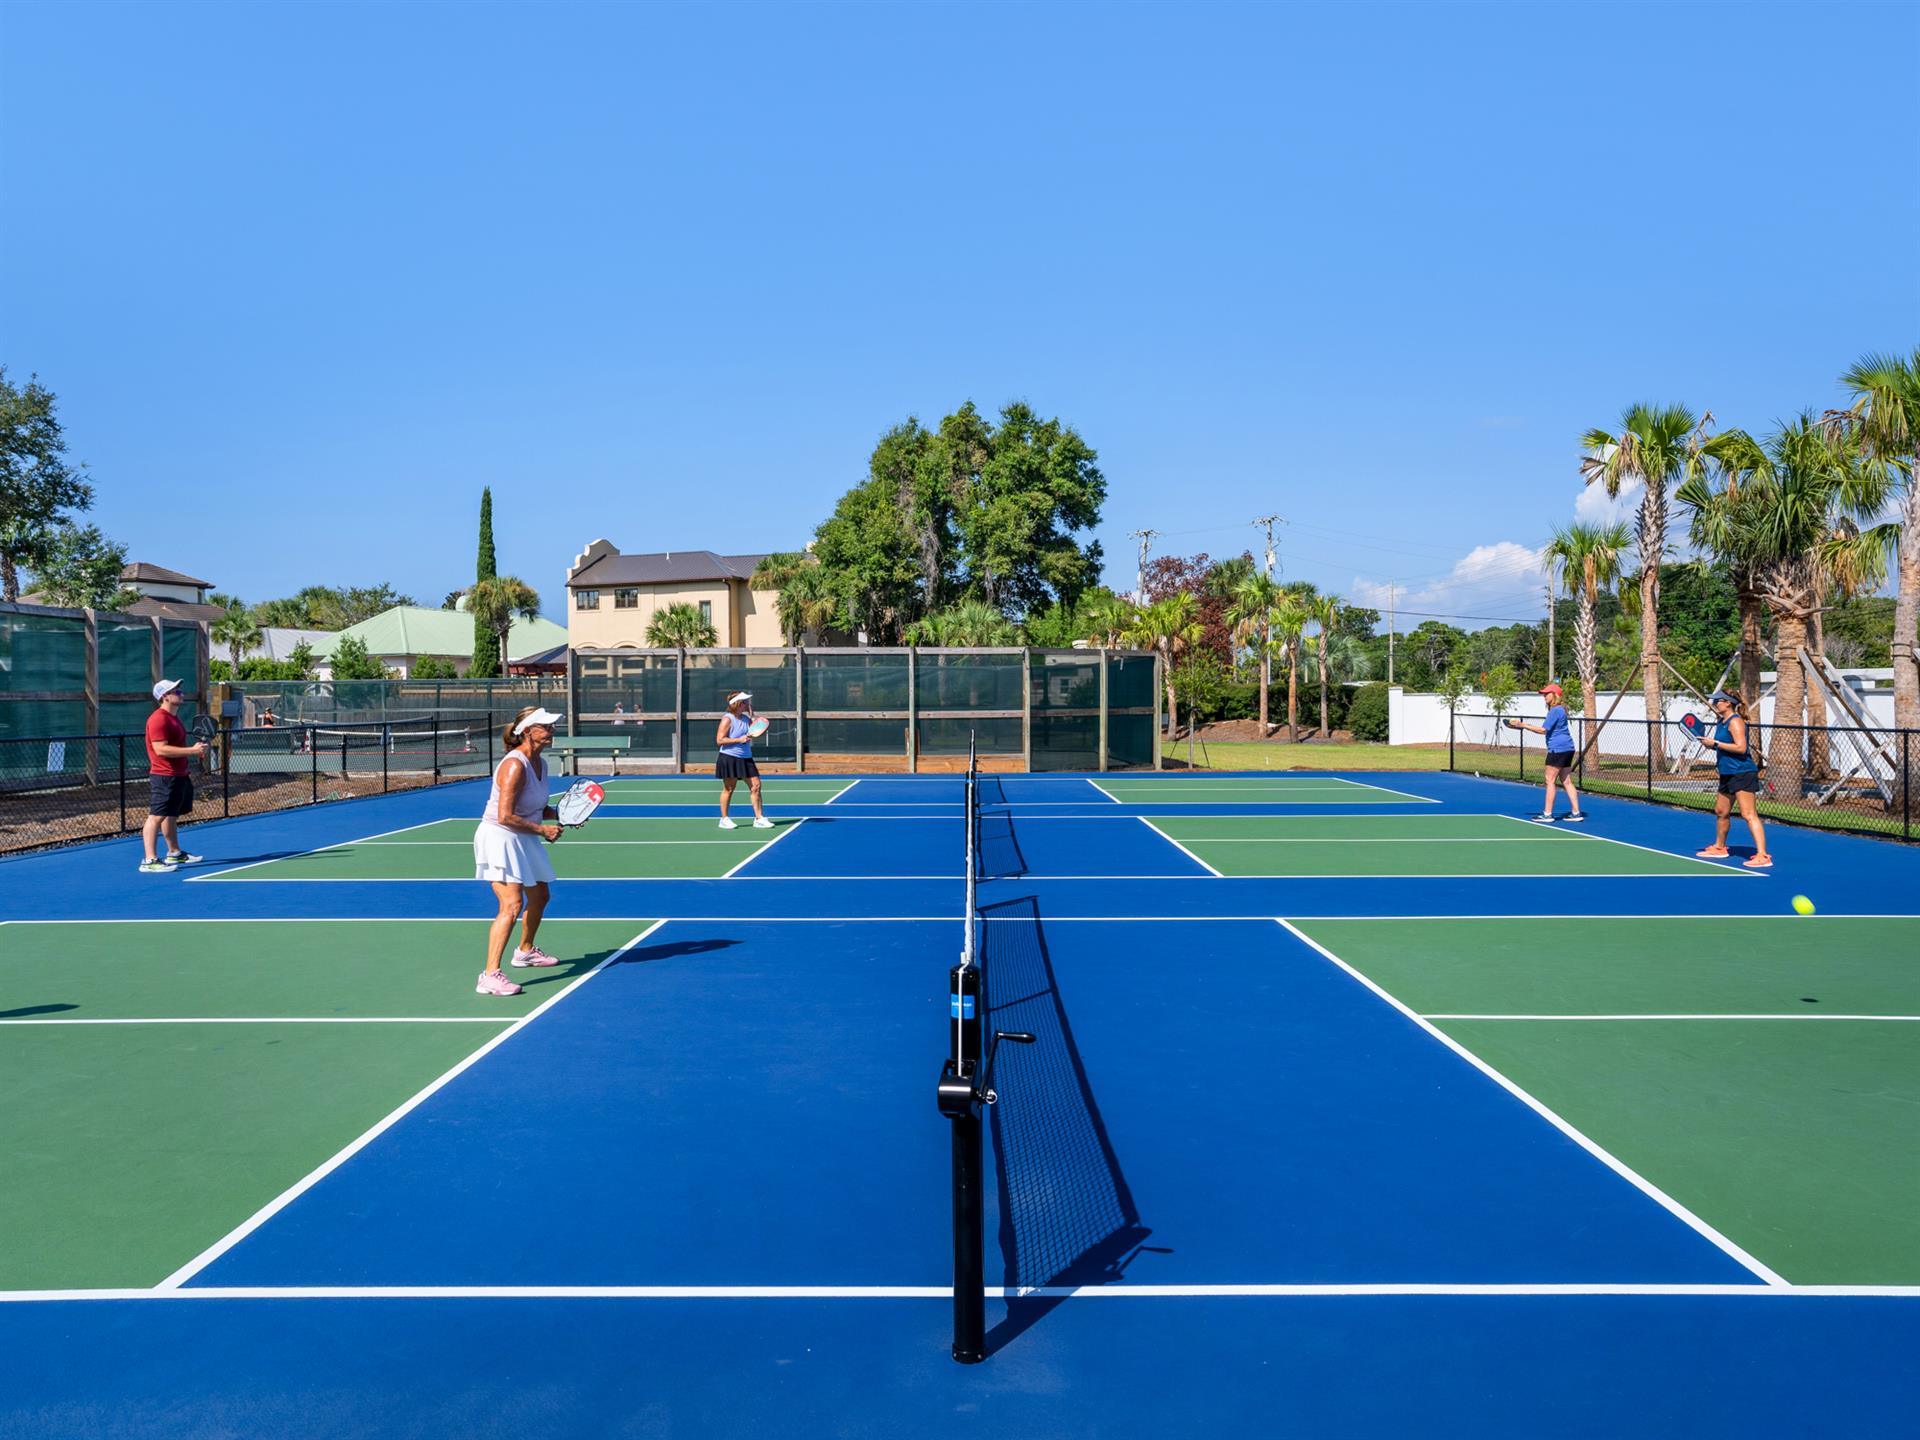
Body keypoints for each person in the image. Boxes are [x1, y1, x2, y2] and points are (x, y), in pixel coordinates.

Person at [472, 705, 567, 996]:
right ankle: (489, 975)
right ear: (527, 731)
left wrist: (561, 815)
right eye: (545, 726)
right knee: (511, 905)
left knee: (540, 896)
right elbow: (505, 816)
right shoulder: (514, 765)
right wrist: (542, 830)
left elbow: (537, 807)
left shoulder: (541, 763)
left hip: (523, 836)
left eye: (551, 725)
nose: (551, 730)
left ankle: (525, 951)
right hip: (499, 837)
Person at [1695, 689, 1771, 868]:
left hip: (1742, 772)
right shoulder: (1721, 721)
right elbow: (1724, 745)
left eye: (1718, 701)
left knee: (1748, 814)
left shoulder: (1735, 721)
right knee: (1721, 811)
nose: (1715, 704)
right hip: (1727, 773)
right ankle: (1720, 848)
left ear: (1728, 702)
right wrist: (1711, 745)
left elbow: (1741, 748)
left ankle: (1762, 855)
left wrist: (1715, 743)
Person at [139, 679, 208, 873]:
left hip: (179, 774)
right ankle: (149, 860)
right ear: (165, 697)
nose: (181, 693)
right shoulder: (158, 719)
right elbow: (160, 749)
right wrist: (192, 750)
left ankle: (174, 852)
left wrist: (195, 751)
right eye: (176, 691)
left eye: (180, 690)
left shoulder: (173, 718)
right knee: (156, 816)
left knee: (170, 815)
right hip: (164, 776)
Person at [1510, 681, 1584, 822]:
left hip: (1558, 749)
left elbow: (1543, 730)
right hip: (1568, 748)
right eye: (1543, 694)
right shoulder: (1561, 710)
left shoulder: (1555, 710)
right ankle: (1576, 813)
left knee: (1550, 780)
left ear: (1554, 695)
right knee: (1566, 781)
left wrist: (1523, 725)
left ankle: (1547, 814)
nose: (1544, 696)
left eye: (1546, 694)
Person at [715, 690, 772, 830]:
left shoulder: (746, 719)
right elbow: (720, 740)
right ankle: (724, 819)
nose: (747, 704)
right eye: (744, 702)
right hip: (729, 757)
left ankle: (759, 818)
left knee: (756, 786)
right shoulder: (727, 719)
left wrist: (752, 716)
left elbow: (755, 730)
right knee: (729, 788)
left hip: (746, 757)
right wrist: (739, 739)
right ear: (737, 704)